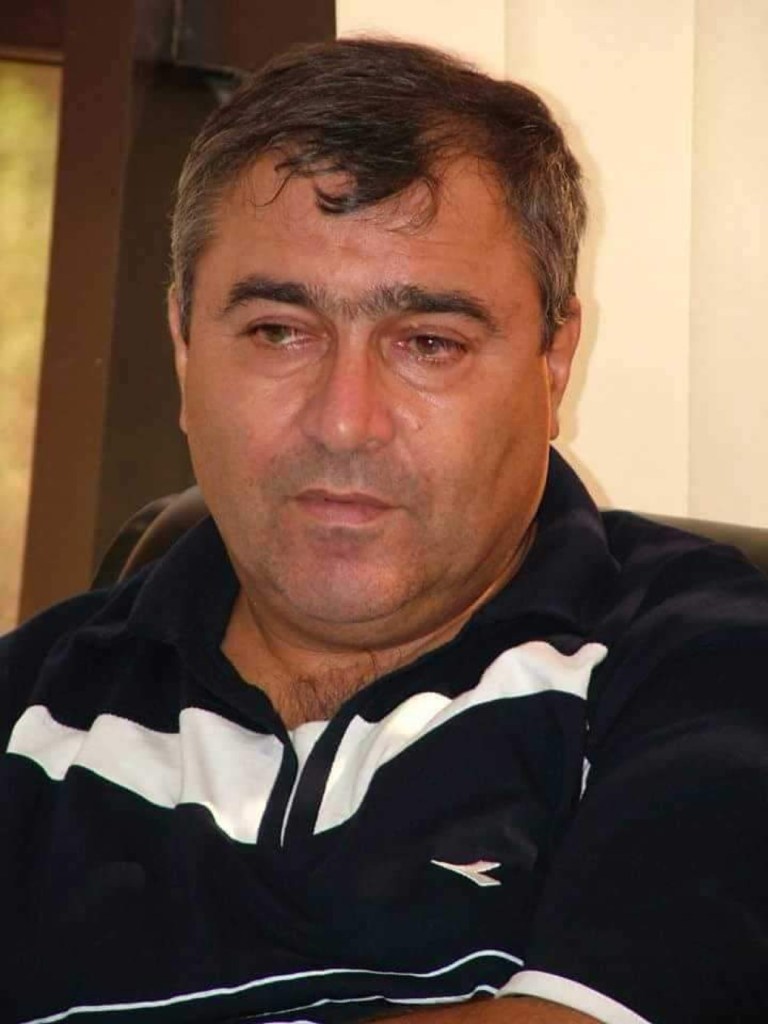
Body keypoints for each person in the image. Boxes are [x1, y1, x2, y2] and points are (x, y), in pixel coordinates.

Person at [1, 37, 767, 1024]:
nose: (344, 421)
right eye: (279, 331)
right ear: (186, 348)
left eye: (428, 343)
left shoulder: (710, 663)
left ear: (553, 362)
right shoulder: (28, 711)